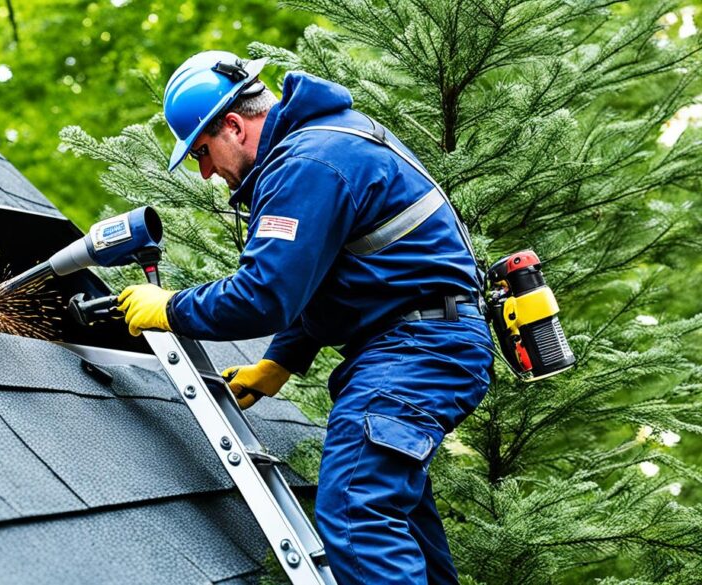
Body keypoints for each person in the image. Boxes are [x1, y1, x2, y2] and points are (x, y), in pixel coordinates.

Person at [117, 51, 493, 585]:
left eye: (202, 152)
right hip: (425, 342)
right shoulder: (324, 143)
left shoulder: (308, 164)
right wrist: (280, 362)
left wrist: (171, 308)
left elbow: (262, 296)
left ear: (233, 125)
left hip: (418, 350)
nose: (205, 172)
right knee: (400, 523)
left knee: (355, 509)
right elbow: (330, 275)